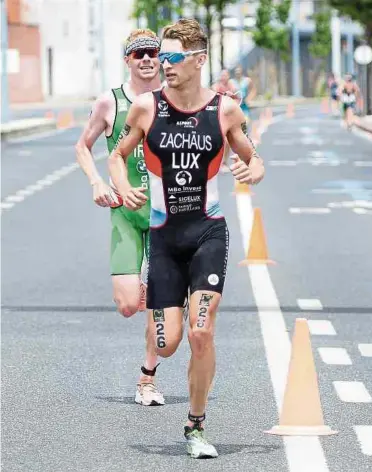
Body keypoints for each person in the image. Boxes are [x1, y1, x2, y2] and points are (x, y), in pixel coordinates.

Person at [107, 18, 265, 459]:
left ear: (198, 61)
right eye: (160, 55)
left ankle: (195, 426)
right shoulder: (145, 107)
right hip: (163, 236)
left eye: (172, 57)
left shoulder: (226, 110)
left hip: (207, 233)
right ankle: (156, 353)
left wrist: (252, 170)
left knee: (201, 333)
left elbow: (255, 159)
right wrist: (122, 185)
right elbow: (118, 156)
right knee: (166, 343)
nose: (162, 63)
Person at [75, 28, 166, 407]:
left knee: (160, 300)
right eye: (138, 53)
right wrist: (97, 181)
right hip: (125, 214)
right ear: (127, 60)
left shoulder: (175, 100)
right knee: (130, 305)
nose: (146, 59)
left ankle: (147, 378)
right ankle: (152, 295)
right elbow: (83, 146)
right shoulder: (110, 102)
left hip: (166, 215)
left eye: (152, 53)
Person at [211, 69, 238, 172]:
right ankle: (214, 161)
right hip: (216, 117)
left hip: (228, 117)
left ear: (228, 76)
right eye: (222, 75)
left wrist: (233, 99)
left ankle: (224, 162)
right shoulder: (215, 87)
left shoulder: (232, 86)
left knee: (226, 141)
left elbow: (237, 98)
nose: (224, 77)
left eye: (226, 75)